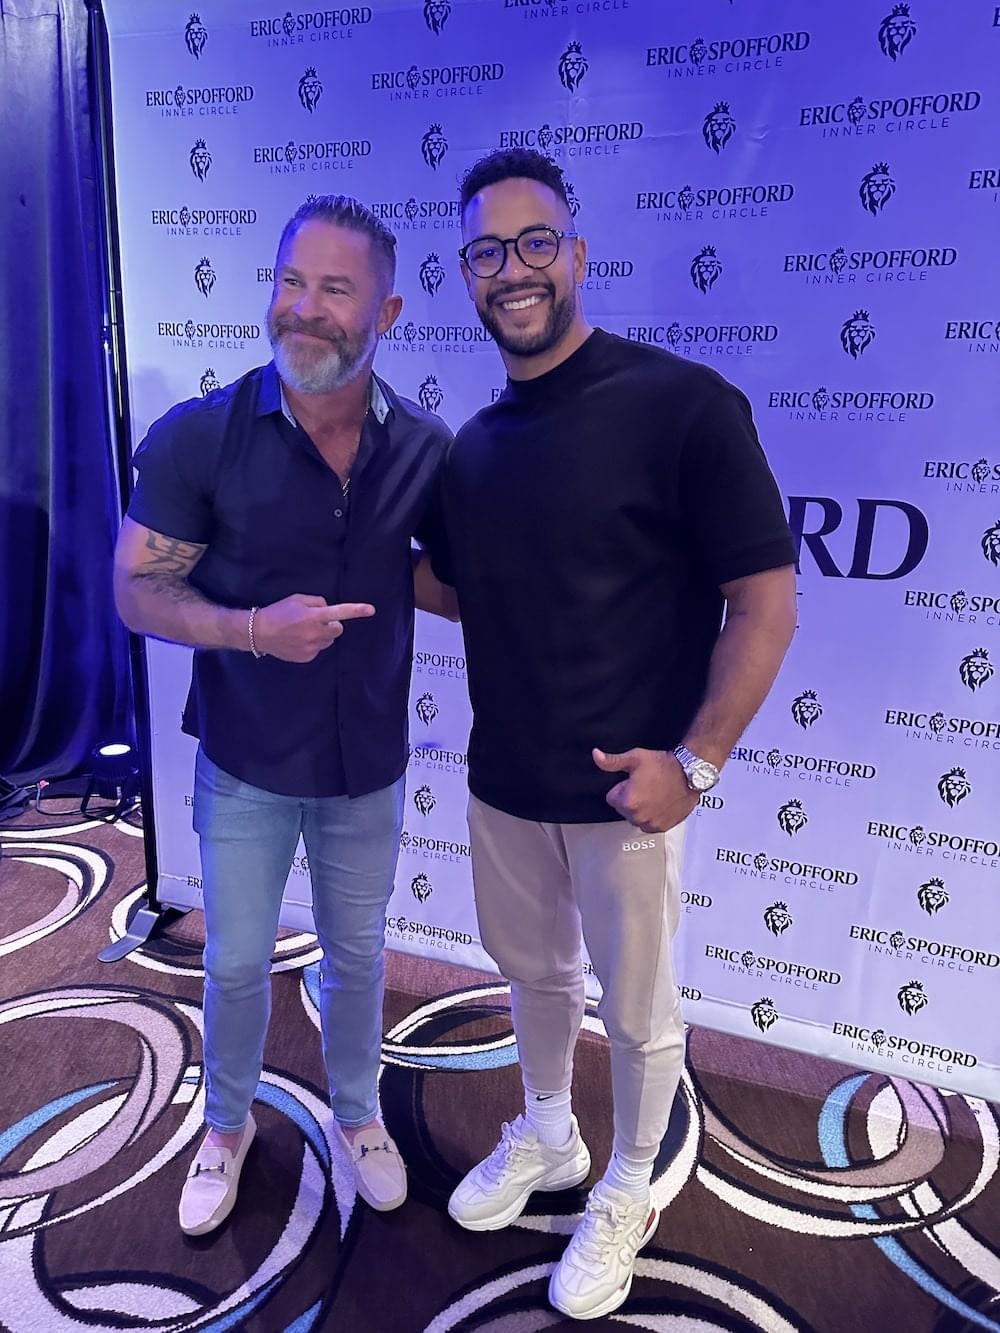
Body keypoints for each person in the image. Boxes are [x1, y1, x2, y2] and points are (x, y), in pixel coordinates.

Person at [434, 150, 798, 1321]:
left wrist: (694, 765)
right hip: (503, 781)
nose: (513, 269)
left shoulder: (682, 405)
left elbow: (764, 601)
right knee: (534, 976)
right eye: (488, 251)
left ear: (578, 255)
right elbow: (464, 589)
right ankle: (550, 1134)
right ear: (467, 274)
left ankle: (629, 1184)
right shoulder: (475, 444)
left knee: (637, 1012)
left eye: (535, 241)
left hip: (630, 790)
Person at [114, 195, 455, 1236]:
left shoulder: (424, 448)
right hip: (247, 761)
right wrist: (255, 630)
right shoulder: (201, 438)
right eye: (290, 281)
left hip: (366, 761)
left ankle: (358, 1113)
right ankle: (223, 1126)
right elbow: (137, 591)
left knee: (359, 957)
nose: (303, 308)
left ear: (386, 314)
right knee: (232, 961)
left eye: (334, 289)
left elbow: (442, 576)